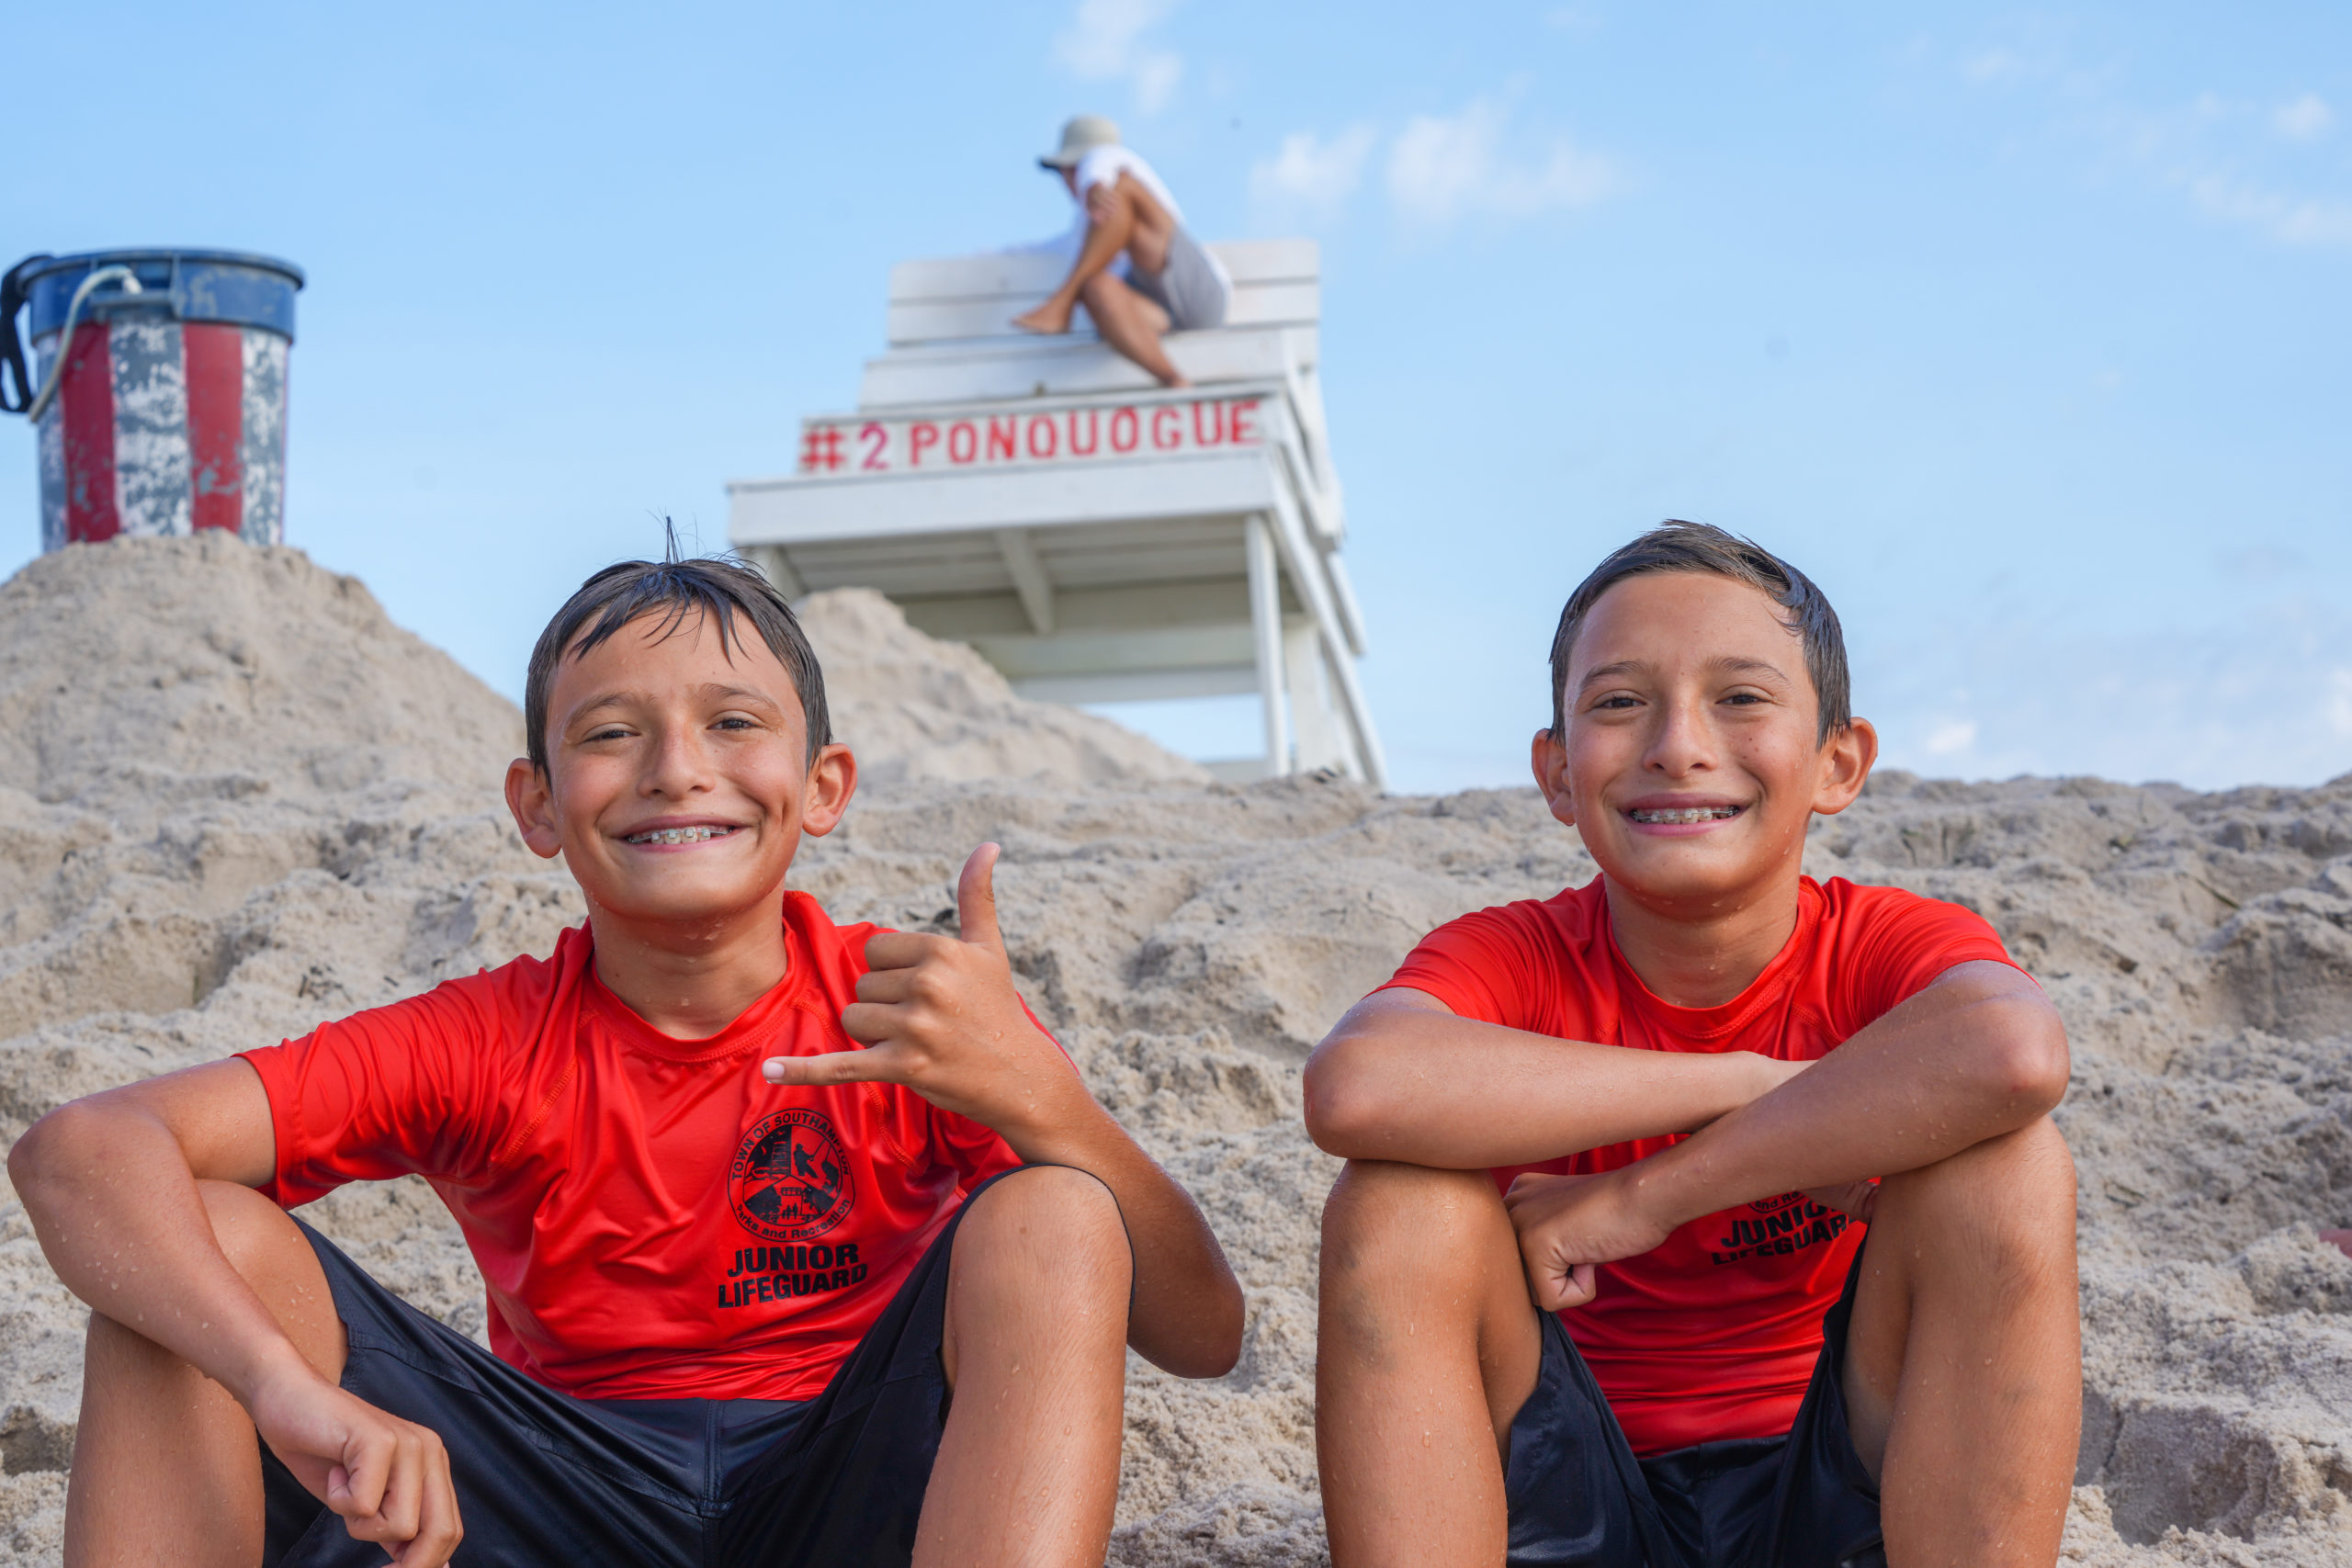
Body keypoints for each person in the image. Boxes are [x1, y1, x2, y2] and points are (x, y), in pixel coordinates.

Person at [10, 551, 1244, 1568]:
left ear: (822, 785)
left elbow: (1203, 1332)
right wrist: (283, 1385)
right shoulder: (489, 1035)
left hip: (852, 1497)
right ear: (539, 805)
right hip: (552, 1497)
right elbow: (80, 1152)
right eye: (611, 731)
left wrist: (1050, 1102)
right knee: (187, 1249)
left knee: (1053, 1214)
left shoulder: (910, 1009)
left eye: (733, 722)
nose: (676, 766)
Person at [1305, 522, 2081, 1568]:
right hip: (1572, 1481)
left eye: (1741, 697)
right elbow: (1356, 1087)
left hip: (1842, 1471)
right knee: (1396, 1200)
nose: (1677, 743)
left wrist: (1640, 1200)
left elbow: (2015, 1053)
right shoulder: (1518, 956)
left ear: (1837, 761)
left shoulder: (1880, 944)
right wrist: (1758, 1087)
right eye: (1619, 702)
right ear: (1557, 773)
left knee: (2007, 1168)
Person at [1011, 115, 1231, 388]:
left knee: (1121, 192)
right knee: (1094, 285)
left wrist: (1095, 186)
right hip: (1154, 315)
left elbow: (1105, 159)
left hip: (1199, 294)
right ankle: (1174, 380)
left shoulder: (1117, 171)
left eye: (1068, 169)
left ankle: (1062, 300)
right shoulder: (1080, 232)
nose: (1066, 179)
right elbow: (1033, 251)